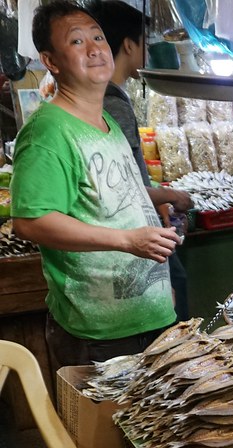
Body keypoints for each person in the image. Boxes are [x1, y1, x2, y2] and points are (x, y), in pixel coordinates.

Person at [11, 0, 179, 367]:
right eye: (76, 42)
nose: (94, 49)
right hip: (99, 334)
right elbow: (30, 220)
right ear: (51, 61)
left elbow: (116, 197)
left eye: (98, 37)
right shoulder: (48, 132)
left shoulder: (107, 122)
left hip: (148, 318)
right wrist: (126, 240)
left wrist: (161, 290)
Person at [91, 0, 193, 321]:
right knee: (175, 301)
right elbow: (122, 186)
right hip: (136, 236)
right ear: (129, 44)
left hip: (138, 233)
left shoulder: (109, 98)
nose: (147, 52)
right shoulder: (114, 105)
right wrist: (172, 196)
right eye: (144, 43)